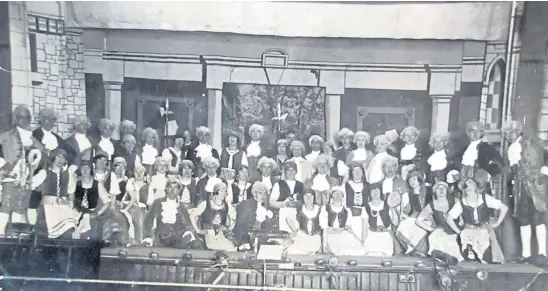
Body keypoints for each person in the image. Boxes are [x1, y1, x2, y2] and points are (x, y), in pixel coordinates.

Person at [502, 120, 548, 265]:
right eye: (506, 134)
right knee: (523, 219)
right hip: (520, 187)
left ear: (518, 131)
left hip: (536, 186)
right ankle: (526, 254)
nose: (509, 136)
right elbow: (513, 169)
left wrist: (543, 172)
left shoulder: (532, 143)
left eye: (511, 132)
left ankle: (542, 253)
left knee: (538, 218)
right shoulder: (511, 148)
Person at [0, 106, 45, 235]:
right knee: (6, 205)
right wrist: (3, 165)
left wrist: (37, 159)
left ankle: (13, 235)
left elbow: (43, 153)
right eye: (21, 117)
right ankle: (1, 234)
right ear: (16, 118)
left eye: (27, 117)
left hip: (26, 178)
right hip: (9, 176)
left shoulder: (32, 138)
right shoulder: (6, 135)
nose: (24, 120)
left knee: (19, 207)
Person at [446, 177, 508, 263]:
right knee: (468, 245)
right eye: (466, 185)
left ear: (476, 186)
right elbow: (449, 218)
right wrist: (459, 232)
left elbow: (504, 208)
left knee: (488, 256)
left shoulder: (485, 198)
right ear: (463, 189)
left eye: (470, 183)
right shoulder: (461, 203)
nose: (468, 186)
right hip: (469, 231)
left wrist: (497, 223)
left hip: (485, 230)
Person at [34, 148, 82, 239]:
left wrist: (71, 205)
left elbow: (71, 192)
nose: (61, 160)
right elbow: (32, 184)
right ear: (53, 158)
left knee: (71, 224)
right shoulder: (45, 172)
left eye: (63, 158)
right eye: (58, 157)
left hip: (63, 207)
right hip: (47, 207)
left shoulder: (68, 174)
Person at [142, 177, 202, 249]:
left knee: (197, 244)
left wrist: (188, 233)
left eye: (175, 188)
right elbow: (148, 221)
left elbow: (187, 223)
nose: (172, 190)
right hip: (161, 236)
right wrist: (148, 236)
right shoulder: (157, 203)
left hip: (177, 237)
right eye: (170, 187)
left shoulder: (181, 206)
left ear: (178, 190)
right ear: (166, 188)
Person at [29, 108, 65, 225]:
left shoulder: (58, 139)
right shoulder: (33, 135)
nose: (49, 122)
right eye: (46, 119)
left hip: (52, 176)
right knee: (33, 203)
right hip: (36, 173)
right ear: (41, 120)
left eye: (52, 119)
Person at [416, 181, 464, 262]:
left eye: (444, 187)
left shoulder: (455, 201)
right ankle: (441, 258)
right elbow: (418, 220)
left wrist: (462, 223)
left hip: (455, 229)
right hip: (441, 230)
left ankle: (454, 259)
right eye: (438, 188)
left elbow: (463, 214)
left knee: (451, 242)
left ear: (447, 190)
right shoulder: (431, 205)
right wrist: (431, 229)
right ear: (435, 191)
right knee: (433, 237)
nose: (441, 190)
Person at [190, 182, 237, 251]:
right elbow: (192, 216)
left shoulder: (227, 206)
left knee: (231, 249)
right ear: (216, 192)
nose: (224, 193)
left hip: (220, 235)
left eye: (225, 191)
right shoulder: (205, 204)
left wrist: (228, 229)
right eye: (221, 191)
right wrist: (198, 230)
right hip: (207, 235)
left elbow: (235, 218)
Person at [320, 187, 366, 256]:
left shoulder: (347, 211)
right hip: (329, 235)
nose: (338, 196)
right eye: (335, 194)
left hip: (342, 234)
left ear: (343, 196)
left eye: (340, 194)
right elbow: (324, 228)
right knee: (337, 252)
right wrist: (324, 245)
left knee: (358, 250)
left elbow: (348, 227)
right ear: (331, 196)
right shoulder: (325, 208)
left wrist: (357, 239)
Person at [394, 171, 429, 256]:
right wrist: (407, 217)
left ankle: (418, 249)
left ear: (419, 180)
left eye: (414, 179)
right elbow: (402, 212)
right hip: (414, 217)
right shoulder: (407, 195)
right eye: (410, 180)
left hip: (428, 217)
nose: (412, 182)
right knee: (404, 226)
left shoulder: (428, 191)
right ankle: (411, 248)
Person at [233, 182, 274, 250]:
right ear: (254, 193)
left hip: (259, 241)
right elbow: (240, 225)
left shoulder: (265, 207)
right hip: (245, 242)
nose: (263, 196)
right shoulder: (246, 205)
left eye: (265, 194)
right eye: (260, 193)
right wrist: (244, 242)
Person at [363, 184, 399, 257]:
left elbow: (395, 223)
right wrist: (363, 242)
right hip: (372, 236)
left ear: (381, 192)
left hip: (385, 235)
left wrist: (393, 211)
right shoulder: (366, 207)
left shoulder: (388, 205)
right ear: (369, 193)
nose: (375, 193)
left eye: (377, 191)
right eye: (373, 191)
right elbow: (364, 228)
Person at [269, 161, 304, 233]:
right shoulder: (278, 184)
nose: (291, 172)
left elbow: (305, 202)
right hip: (283, 216)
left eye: (293, 170)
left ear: (296, 171)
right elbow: (271, 202)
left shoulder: (301, 185)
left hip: (297, 216)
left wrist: (298, 203)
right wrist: (284, 204)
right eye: (288, 170)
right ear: (285, 172)